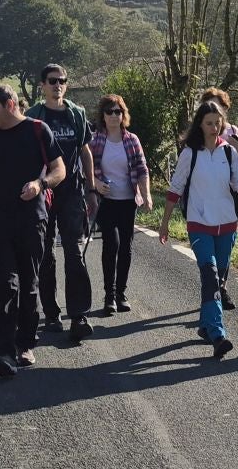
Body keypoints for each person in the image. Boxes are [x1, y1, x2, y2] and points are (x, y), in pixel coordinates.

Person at [158, 96, 238, 360]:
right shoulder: (190, 153)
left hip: (227, 225)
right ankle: (217, 334)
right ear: (200, 125)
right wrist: (165, 223)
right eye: (209, 123)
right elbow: (175, 189)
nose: (214, 127)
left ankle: (205, 325)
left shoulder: (229, 152)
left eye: (218, 123)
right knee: (210, 276)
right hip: (198, 224)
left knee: (219, 278)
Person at [0, 84, 64, 378]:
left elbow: (59, 169)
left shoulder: (38, 130)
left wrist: (41, 184)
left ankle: (26, 343)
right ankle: (3, 351)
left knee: (30, 284)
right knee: (7, 285)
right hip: (1, 222)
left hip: (33, 220)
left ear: (10, 104)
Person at [28, 63, 96, 341]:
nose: (58, 85)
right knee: (45, 254)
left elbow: (85, 152)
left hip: (71, 193)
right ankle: (52, 313)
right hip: (43, 193)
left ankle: (78, 315)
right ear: (42, 85)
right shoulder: (33, 116)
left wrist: (91, 190)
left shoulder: (76, 114)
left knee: (74, 251)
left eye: (62, 80)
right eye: (52, 80)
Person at [87, 94, 151, 315]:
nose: (114, 115)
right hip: (106, 202)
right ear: (103, 116)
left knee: (126, 247)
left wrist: (147, 195)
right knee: (110, 244)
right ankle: (109, 295)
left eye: (118, 111)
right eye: (110, 112)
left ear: (123, 115)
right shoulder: (95, 140)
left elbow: (142, 169)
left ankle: (121, 293)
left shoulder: (131, 140)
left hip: (128, 201)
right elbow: (86, 169)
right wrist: (95, 183)